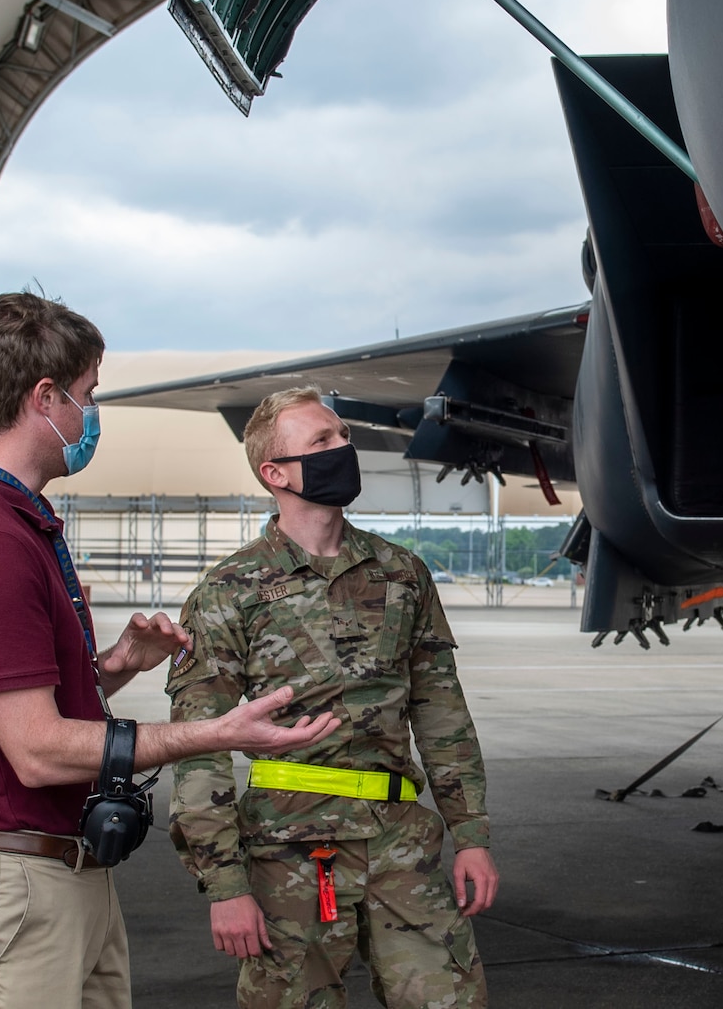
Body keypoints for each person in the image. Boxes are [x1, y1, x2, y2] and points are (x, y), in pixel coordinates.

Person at [0, 293, 340, 1009]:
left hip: (58, 877)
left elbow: (17, 708)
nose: (91, 414)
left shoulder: (14, 518)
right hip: (14, 892)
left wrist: (113, 666)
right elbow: (37, 749)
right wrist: (216, 733)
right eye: (87, 395)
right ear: (43, 397)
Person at [168, 387, 495, 1009]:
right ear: (275, 472)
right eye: (321, 442)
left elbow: (441, 713)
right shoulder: (229, 591)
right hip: (289, 850)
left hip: (402, 842)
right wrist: (224, 885)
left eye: (343, 435)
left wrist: (472, 835)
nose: (344, 448)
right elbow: (199, 748)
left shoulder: (402, 573)